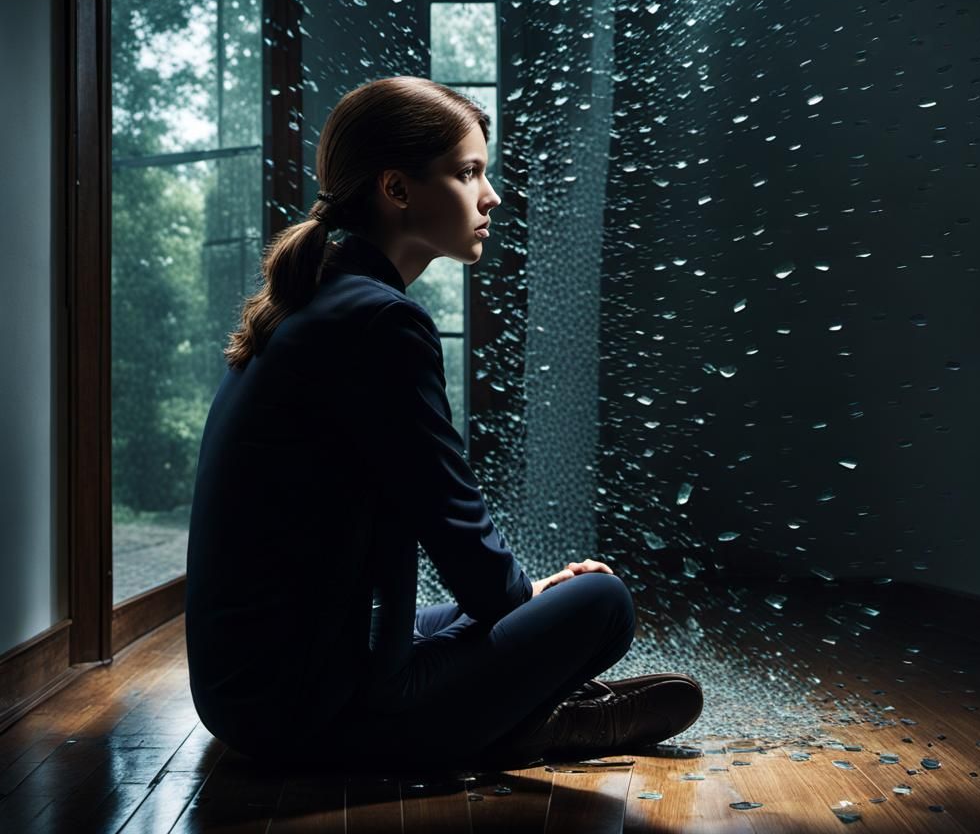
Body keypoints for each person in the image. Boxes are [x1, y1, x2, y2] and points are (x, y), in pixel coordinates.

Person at [184, 76, 703, 774]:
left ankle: (510, 711)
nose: (490, 197)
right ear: (396, 190)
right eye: (468, 173)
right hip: (307, 713)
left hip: (249, 693)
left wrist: (522, 597)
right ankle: (521, 725)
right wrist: (520, 603)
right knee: (603, 603)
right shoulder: (380, 321)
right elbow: (451, 521)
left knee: (494, 606)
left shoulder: (318, 300)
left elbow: (442, 546)